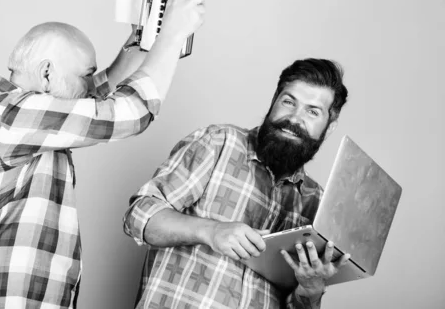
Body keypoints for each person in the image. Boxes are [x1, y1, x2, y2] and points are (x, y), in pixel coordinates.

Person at [0, 0, 205, 309]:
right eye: (84, 75)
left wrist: (139, 43)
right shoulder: (12, 115)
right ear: (46, 73)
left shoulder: (20, 116)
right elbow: (127, 113)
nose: (90, 86)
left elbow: (91, 99)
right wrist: (172, 38)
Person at [123, 58, 351, 309]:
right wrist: (211, 231)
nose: (294, 118)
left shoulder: (315, 202)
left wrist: (310, 290)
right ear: (273, 102)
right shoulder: (219, 143)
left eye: (312, 111)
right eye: (288, 102)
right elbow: (140, 216)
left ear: (329, 128)